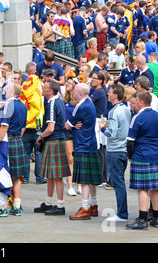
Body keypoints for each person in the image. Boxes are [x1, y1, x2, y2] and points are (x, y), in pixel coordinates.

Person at [125, 91, 158, 230]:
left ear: (141, 102)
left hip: (140, 155)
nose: (132, 104)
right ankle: (156, 218)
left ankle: (142, 219)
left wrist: (130, 155)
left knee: (142, 189)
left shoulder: (137, 117)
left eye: (134, 101)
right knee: (155, 188)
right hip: (155, 155)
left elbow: (130, 141)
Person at [35, 79, 70, 215]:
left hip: (54, 140)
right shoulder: (58, 101)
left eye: (44, 87)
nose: (42, 89)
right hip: (57, 140)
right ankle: (49, 203)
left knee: (57, 176)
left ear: (50, 91)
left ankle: (60, 206)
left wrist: (41, 136)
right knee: (51, 175)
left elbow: (50, 128)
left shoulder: (52, 103)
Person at [66, 83, 101, 220]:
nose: (73, 92)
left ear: (80, 93)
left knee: (85, 180)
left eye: (75, 90)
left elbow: (67, 125)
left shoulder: (80, 106)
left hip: (82, 144)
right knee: (91, 180)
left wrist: (73, 125)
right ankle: (94, 205)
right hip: (90, 144)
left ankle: (85, 208)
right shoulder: (90, 103)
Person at [0, 84, 28, 216]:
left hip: (7, 141)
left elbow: (4, 127)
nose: (4, 91)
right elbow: (23, 127)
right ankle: (16, 206)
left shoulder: (9, 105)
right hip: (18, 140)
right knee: (17, 177)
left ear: (13, 92)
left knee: (3, 173)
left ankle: (2, 208)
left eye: (6, 89)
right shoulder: (23, 106)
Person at [100, 84, 131, 222]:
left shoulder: (113, 112)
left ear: (115, 95)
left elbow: (111, 134)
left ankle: (122, 214)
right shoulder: (126, 109)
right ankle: (122, 212)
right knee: (119, 182)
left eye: (110, 92)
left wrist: (102, 128)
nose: (108, 94)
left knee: (118, 183)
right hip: (124, 149)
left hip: (115, 150)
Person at [20, 65, 45, 185]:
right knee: (39, 153)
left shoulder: (24, 88)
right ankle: (39, 178)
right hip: (38, 125)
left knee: (26, 153)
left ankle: (25, 178)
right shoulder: (39, 89)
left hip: (26, 125)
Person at [90, 71, 109, 186]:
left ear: (100, 81)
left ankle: (101, 177)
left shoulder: (99, 92)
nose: (91, 79)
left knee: (100, 150)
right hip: (101, 120)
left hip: (98, 121)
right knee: (102, 150)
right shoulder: (99, 91)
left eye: (94, 78)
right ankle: (103, 176)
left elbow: (86, 101)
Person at [63, 77, 79, 196]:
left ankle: (79, 184)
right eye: (66, 82)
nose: (66, 84)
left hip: (77, 131)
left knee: (78, 158)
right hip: (67, 131)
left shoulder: (78, 100)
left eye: (69, 82)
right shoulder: (64, 99)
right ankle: (70, 185)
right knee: (70, 158)